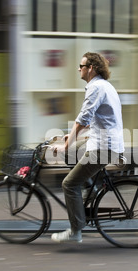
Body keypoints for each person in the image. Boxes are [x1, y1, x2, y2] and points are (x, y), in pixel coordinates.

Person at [51, 52, 125, 243]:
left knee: (68, 184)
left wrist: (66, 145)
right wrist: (74, 138)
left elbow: (83, 118)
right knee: (74, 155)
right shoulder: (105, 86)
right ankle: (87, 191)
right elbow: (95, 121)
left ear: (90, 68)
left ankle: (76, 230)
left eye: (81, 65)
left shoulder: (96, 88)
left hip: (103, 147)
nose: (78, 69)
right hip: (103, 142)